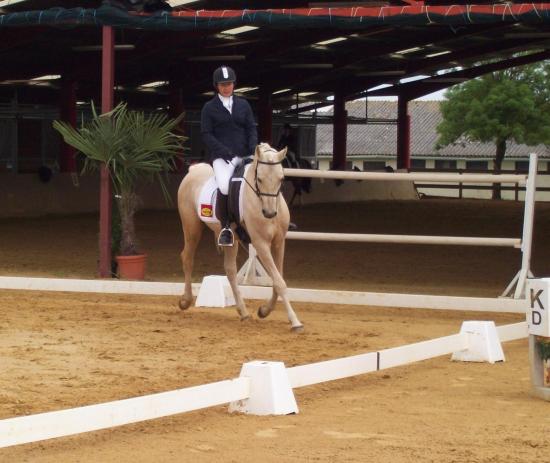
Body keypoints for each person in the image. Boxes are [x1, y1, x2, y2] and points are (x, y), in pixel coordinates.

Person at [201, 65, 258, 246]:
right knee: (225, 186)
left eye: (229, 84)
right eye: (222, 84)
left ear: (234, 84)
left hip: (245, 155)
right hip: (222, 158)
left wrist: (252, 148)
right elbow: (206, 134)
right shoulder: (209, 108)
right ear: (216, 86)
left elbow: (251, 128)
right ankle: (226, 227)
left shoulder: (244, 105)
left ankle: (268, 218)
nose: (226, 87)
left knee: (260, 180)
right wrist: (223, 151)